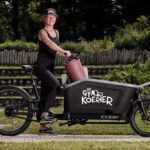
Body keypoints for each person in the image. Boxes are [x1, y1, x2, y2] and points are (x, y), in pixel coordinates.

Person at [33, 8, 71, 134]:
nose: (51, 18)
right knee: (55, 86)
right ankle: (45, 114)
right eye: (49, 16)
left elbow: (56, 50)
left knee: (45, 94)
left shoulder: (57, 32)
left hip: (50, 68)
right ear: (45, 18)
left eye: (53, 16)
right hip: (41, 67)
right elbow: (49, 44)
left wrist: (66, 55)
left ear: (56, 18)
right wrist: (63, 50)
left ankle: (43, 127)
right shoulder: (42, 32)